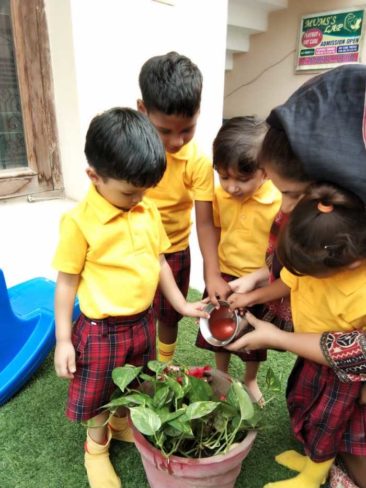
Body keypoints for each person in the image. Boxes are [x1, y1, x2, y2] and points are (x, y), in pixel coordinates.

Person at [52, 108, 209, 488]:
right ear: (94, 176)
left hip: (142, 322)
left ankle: (122, 425)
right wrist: (61, 340)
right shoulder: (79, 223)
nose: (138, 198)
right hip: (101, 330)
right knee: (99, 393)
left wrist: (182, 304)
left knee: (136, 382)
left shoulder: (146, 209)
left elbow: (160, 263)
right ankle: (96, 449)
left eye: (144, 190)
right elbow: (66, 283)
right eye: (128, 191)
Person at [227, 64, 366, 488]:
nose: (283, 208)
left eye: (292, 194)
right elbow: (291, 274)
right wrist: (255, 282)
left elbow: (354, 351)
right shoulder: (325, 232)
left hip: (352, 373)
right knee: (311, 410)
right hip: (323, 356)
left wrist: (275, 338)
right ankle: (319, 459)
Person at [137, 51, 230, 362]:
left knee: (168, 315)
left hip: (174, 250)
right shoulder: (131, 153)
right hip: (133, 249)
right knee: (134, 311)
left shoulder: (197, 162)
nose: (177, 141)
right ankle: (136, 364)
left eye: (186, 129)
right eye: (165, 130)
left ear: (198, 113)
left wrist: (212, 274)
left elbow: (205, 223)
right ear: (142, 110)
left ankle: (163, 366)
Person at [195, 116, 281, 402]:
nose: (231, 187)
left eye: (242, 179)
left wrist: (260, 276)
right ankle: (222, 376)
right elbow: (214, 229)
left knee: (253, 338)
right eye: (224, 176)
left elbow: (281, 251)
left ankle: (250, 378)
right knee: (218, 332)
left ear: (266, 172)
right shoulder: (221, 196)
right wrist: (213, 274)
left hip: (260, 282)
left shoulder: (279, 201)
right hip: (224, 275)